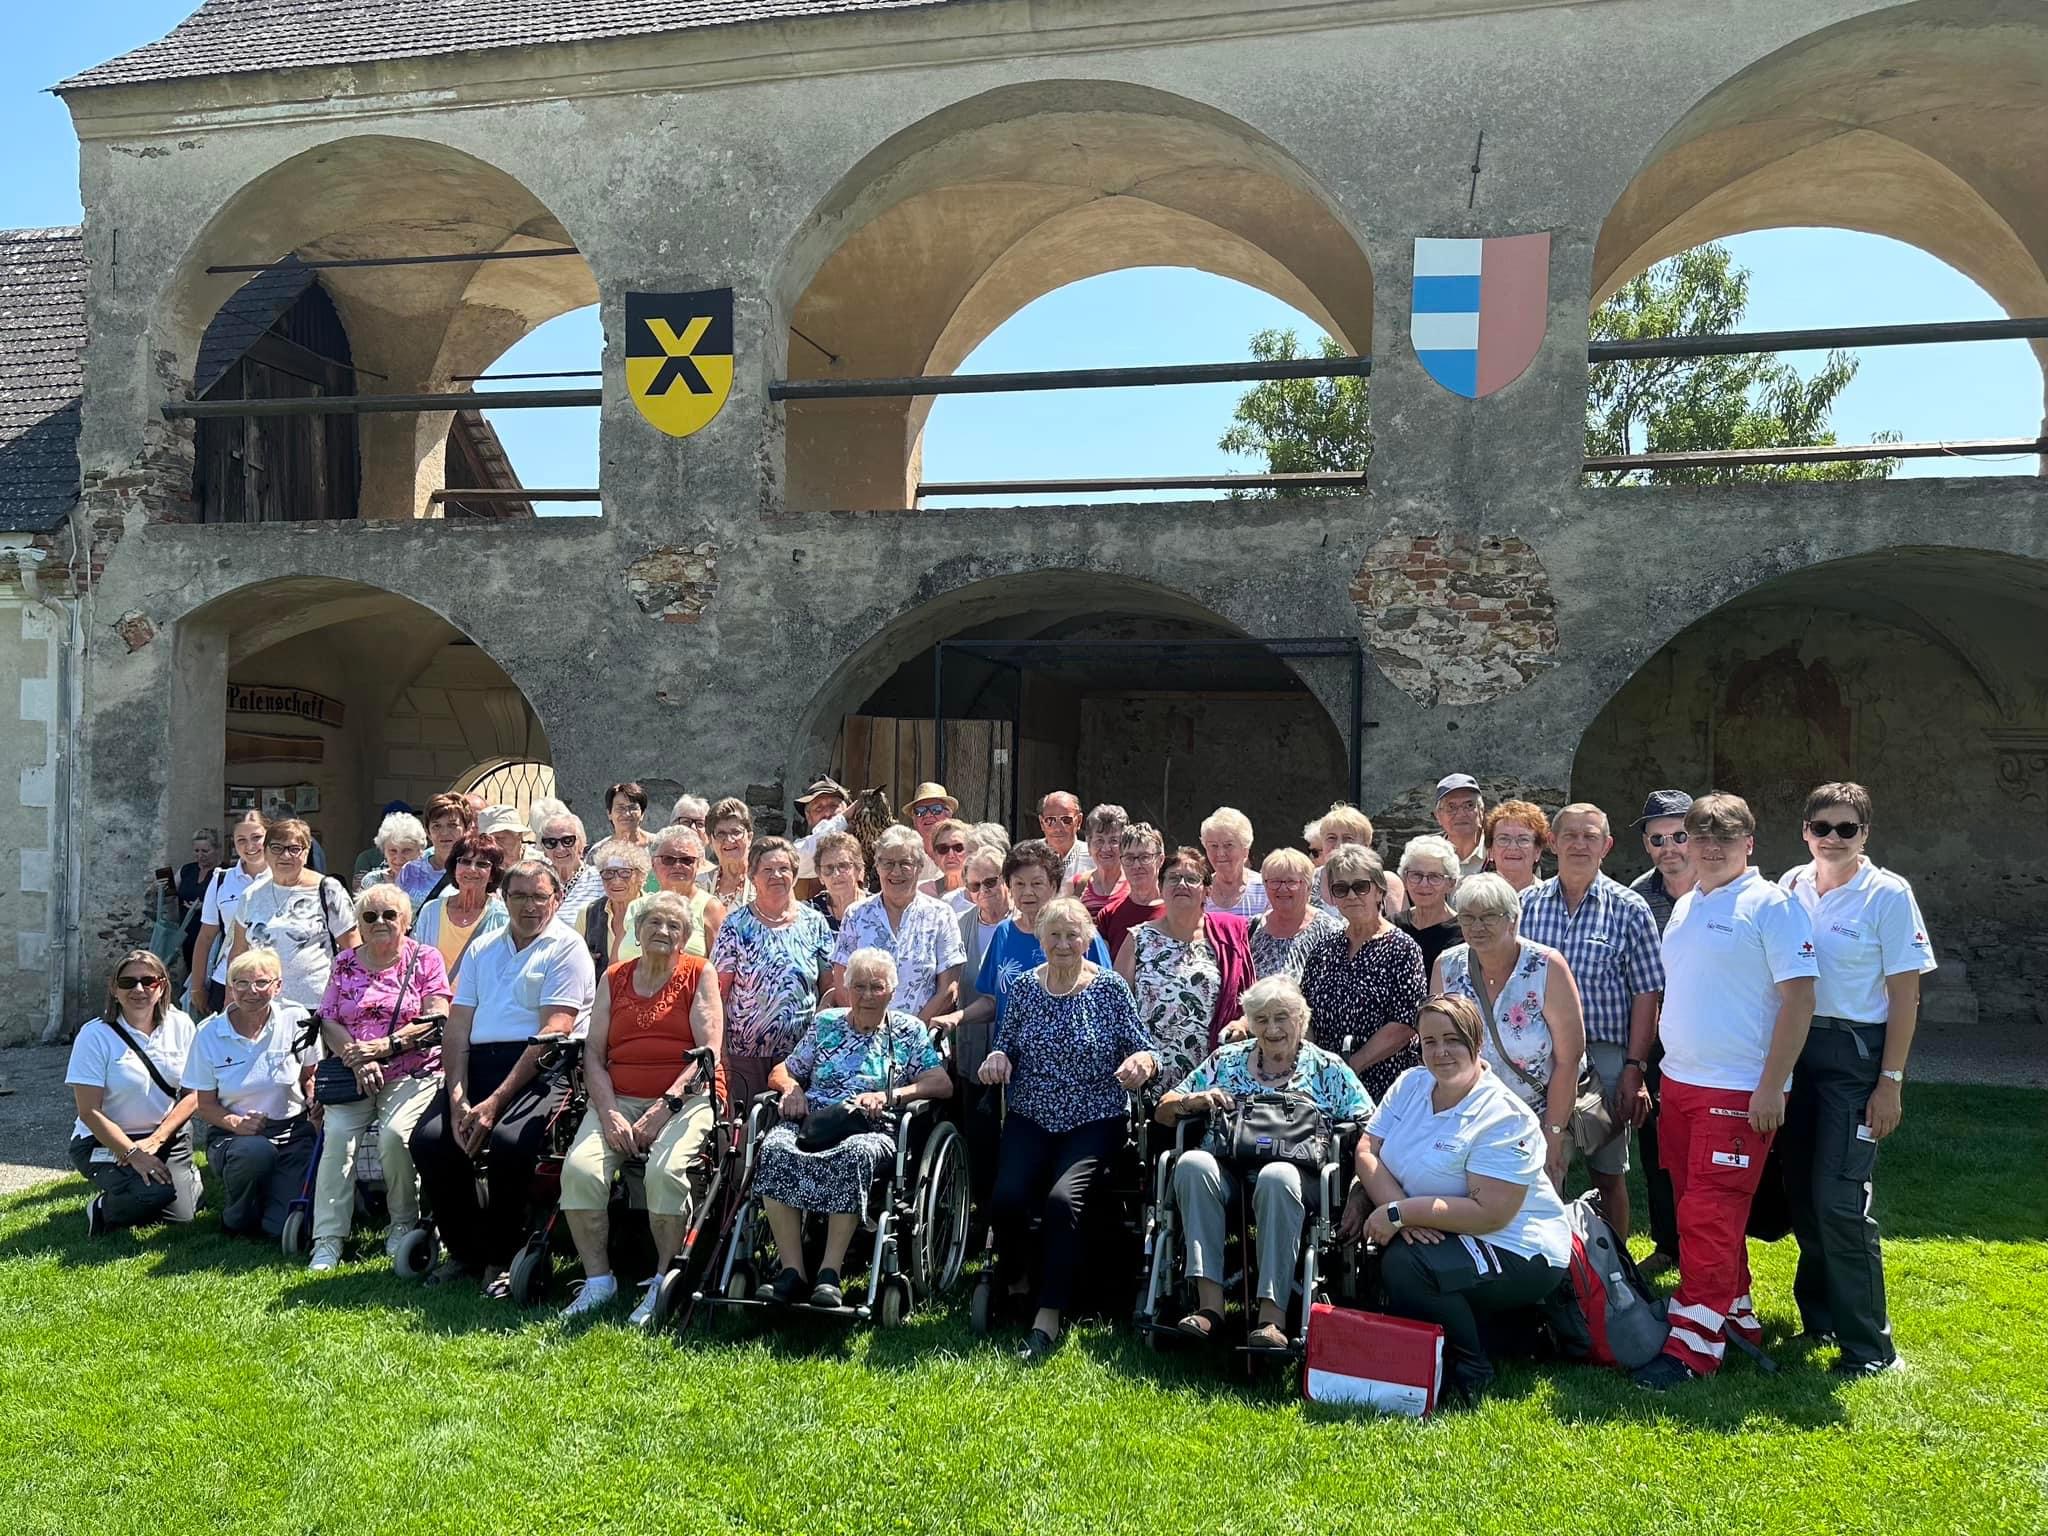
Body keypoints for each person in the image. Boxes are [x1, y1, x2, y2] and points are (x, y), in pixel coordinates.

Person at [1634, 794, 1817, 1391]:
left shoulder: (1773, 907)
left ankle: (1692, 1347)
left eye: (1726, 837)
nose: (1711, 846)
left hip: (1737, 1091)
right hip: (1681, 1084)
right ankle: (1733, 1314)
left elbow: (1800, 1000)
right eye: (1699, 836)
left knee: (1710, 1215)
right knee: (1697, 1210)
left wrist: (1772, 1086)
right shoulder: (1687, 906)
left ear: (1750, 843)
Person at [1340, 994, 1572, 1404]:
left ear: (1477, 1043)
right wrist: (1400, 1212)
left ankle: (1472, 1367)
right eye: (1429, 1041)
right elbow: (1366, 1150)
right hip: (1443, 1229)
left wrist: (1401, 1212)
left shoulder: (1504, 1116)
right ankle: (1503, 1333)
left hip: (1518, 1245)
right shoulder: (1411, 1084)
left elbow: (1491, 1214)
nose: (1440, 1051)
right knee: (1401, 1261)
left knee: (1408, 1266)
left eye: (1453, 1039)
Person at [1776, 782, 1932, 1377]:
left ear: (1865, 834)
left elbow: (1906, 992)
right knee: (1803, 1197)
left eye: (1847, 828)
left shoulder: (1888, 894)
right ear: (1806, 832)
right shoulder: (1791, 885)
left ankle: (1870, 1348)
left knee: (1840, 1201)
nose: (1833, 838)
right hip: (1797, 1048)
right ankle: (1820, 1316)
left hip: (1854, 1054)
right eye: (1823, 827)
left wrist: (1889, 1080)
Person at [979, 897, 1156, 1359]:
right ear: (1040, 941)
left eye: (1072, 934)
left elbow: (1143, 1048)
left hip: (1093, 1117)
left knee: (1061, 1202)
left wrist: (1140, 1062)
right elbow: (1006, 1046)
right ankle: (1017, 1278)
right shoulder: (1023, 988)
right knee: (1008, 1199)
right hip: (1031, 1114)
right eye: (1053, 935)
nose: (1062, 943)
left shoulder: (1110, 988)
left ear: (1088, 939)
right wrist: (998, 1058)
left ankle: (1048, 1316)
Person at [409, 861, 597, 1297]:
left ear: (556, 900)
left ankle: (502, 1256)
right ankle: (465, 1252)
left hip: (543, 1067)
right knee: (431, 1140)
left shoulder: (567, 948)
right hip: (477, 1063)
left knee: (512, 1144)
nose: (530, 906)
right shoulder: (483, 947)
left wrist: (493, 1104)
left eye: (539, 897)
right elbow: (457, 1028)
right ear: (504, 899)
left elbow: (555, 1028)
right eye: (519, 896)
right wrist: (457, 1096)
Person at [1156, 975, 1371, 1346]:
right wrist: (1196, 1100)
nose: (1272, 1028)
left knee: (1277, 1175)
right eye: (1262, 1019)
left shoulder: (1327, 1068)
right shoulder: (1226, 1060)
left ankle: (1272, 1320)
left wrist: (1359, 1192)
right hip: (1228, 1171)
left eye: (1282, 1017)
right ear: (1251, 1023)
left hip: (1298, 1180)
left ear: (1301, 1020)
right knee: (1191, 1164)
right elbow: (1164, 1109)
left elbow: (1372, 1129)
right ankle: (1210, 1308)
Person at [559, 891, 726, 1324]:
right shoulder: (614, 977)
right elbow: (594, 1055)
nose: (663, 931)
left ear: (686, 936)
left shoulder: (697, 973)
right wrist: (611, 1112)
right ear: (637, 930)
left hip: (686, 1098)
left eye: (674, 925)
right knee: (579, 1169)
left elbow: (708, 1053)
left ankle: (661, 1279)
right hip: (618, 1098)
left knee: (664, 1172)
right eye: (654, 923)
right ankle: (598, 1281)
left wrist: (662, 1109)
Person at [757, 948, 952, 1308]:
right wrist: (792, 1088)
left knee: (854, 1154)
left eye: (876, 987)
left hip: (871, 1129)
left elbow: (941, 1083)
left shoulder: (907, 1031)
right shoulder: (826, 1023)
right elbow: (783, 1069)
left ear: (891, 991)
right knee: (773, 1147)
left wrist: (891, 1095)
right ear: (845, 989)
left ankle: (830, 1273)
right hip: (813, 1123)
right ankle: (792, 1270)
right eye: (858, 986)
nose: (866, 995)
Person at [1517, 804, 1663, 1232]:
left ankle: (1615, 1276)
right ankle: (1544, 1264)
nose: (1580, 844)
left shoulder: (1629, 908)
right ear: (1553, 844)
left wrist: (1635, 1069)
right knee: (1537, 1164)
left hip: (1604, 1059)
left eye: (1591, 836)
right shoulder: (1525, 905)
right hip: (1535, 1056)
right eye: (1571, 835)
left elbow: (1646, 994)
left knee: (1608, 1172)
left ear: (1607, 845)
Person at [308, 883, 453, 1271]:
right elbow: (329, 1019)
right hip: (354, 1073)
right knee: (337, 1139)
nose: (381, 922)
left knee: (394, 1137)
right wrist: (358, 1059)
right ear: (359, 923)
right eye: (370, 917)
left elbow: (436, 1018)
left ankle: (403, 1223)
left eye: (390, 915)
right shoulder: (345, 963)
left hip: (412, 1071)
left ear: (406, 921)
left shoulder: (425, 959)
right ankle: (327, 1239)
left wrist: (382, 1049)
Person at [1431, 872, 1587, 1192]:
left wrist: (1553, 1134)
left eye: (1489, 916)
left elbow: (1569, 1059)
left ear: (1513, 919)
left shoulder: (1546, 966)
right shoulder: (1447, 966)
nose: (1477, 927)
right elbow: (1437, 1043)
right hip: (1470, 1117)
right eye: (1468, 917)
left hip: (1536, 1115)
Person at [184, 947, 320, 1239]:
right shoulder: (209, 1033)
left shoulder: (297, 1019)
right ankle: (236, 1217)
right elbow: (204, 1104)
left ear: (278, 986)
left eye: (261, 983)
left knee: (281, 1229)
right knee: (255, 1153)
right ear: (230, 988)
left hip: (292, 1133)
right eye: (241, 983)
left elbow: (309, 1076)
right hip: (235, 1137)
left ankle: (271, 1201)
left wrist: (314, 1099)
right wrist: (236, 1123)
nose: (251, 991)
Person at [67, 950, 201, 1236]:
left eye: (148, 981)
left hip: (163, 1135)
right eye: (127, 983)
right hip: (104, 1141)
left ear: (162, 985)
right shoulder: (94, 1036)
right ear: (114, 990)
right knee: (151, 1195)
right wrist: (132, 1153)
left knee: (182, 1217)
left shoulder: (181, 1025)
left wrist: (157, 1139)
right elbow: (89, 1112)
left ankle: (184, 1181)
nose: (138, 989)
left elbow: (193, 1095)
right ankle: (102, 1210)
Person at [939, 840, 1111, 1038]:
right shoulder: (1004, 932)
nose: (1027, 892)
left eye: (1037, 884)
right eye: (1019, 884)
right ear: (1010, 887)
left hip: (1070, 1059)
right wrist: (956, 1018)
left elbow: (1107, 997)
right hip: (1010, 1060)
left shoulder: (1079, 934)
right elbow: (993, 1000)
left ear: (1054, 885)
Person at [1628, 787, 1697, 1277]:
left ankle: (1714, 1245)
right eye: (1658, 839)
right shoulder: (1637, 897)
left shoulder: (1719, 889)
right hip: (1656, 1039)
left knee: (1709, 1148)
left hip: (1710, 1038)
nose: (1669, 847)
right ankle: (1669, 1244)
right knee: (1656, 1148)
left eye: (1679, 835)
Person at [712, 837, 837, 1110]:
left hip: (800, 1052)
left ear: (794, 874)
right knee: (745, 1130)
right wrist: (721, 1052)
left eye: (783, 869)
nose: (776, 876)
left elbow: (829, 987)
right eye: (767, 870)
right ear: (752, 876)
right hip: (745, 1053)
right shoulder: (735, 925)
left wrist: (820, 1030)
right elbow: (718, 993)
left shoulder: (814, 922)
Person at [1295, 845, 1426, 1101]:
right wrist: (1317, 1066)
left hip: (1386, 1087)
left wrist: (1351, 1066)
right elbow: (1304, 1012)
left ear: (1379, 890)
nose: (1352, 895)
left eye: (1361, 886)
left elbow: (1405, 1023)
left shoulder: (1403, 948)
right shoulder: (1324, 949)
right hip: (1325, 1085)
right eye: (1341, 889)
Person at [1113, 847, 1253, 1088]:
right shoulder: (1138, 939)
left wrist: (1241, 1025)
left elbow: (1252, 1001)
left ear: (1207, 890)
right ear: (1161, 887)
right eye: (1174, 878)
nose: (1182, 884)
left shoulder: (1228, 935)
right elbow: (1115, 1010)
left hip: (1213, 1076)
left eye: (1192, 879)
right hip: (1148, 1075)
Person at [830, 825, 964, 1022]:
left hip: (921, 1039)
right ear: (877, 866)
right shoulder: (856, 915)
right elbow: (842, 983)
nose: (896, 872)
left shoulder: (941, 915)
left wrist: (910, 1035)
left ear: (919, 867)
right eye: (888, 863)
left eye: (905, 863)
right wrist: (868, 1031)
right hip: (864, 1041)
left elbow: (949, 989)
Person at [229, 818, 359, 1010]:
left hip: (317, 1004)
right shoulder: (251, 895)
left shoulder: (328, 890)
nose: (285, 855)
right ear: (265, 851)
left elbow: (353, 949)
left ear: (306, 854)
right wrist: (231, 996)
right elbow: (238, 951)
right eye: (276, 848)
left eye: (294, 849)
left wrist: (351, 998)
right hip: (262, 1004)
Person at [187, 809, 268, 1018]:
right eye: (241, 839)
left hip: (271, 981)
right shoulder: (222, 880)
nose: (249, 846)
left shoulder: (283, 879)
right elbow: (205, 937)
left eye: (257, 837)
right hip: (226, 981)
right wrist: (197, 987)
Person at [952, 846, 1012, 1084]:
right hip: (972, 1046)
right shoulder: (958, 927)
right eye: (975, 886)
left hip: (1015, 1052)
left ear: (1006, 878)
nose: (983, 891)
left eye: (990, 882)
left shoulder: (1024, 924)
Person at [414, 837, 508, 983]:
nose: (471, 869)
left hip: (480, 1004)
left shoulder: (503, 917)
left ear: (493, 874)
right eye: (465, 861)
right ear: (454, 867)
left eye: (482, 864)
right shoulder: (430, 911)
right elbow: (417, 964)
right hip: (435, 1003)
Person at [625, 824, 726, 962]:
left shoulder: (710, 908)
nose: (677, 865)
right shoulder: (637, 907)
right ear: (653, 864)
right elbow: (614, 965)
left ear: (698, 864)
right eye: (668, 859)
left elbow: (721, 966)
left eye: (686, 860)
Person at [1248, 847, 1341, 979]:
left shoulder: (1330, 931)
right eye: (1275, 882)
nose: (1283, 888)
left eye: (1291, 882)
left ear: (1309, 885)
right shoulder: (1251, 929)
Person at [1316, 804, 1406, 916]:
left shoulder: (1387, 882)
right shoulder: (1307, 881)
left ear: (1365, 844)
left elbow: (1398, 929)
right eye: (1331, 838)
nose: (1339, 845)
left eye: (1348, 838)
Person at [1095, 822, 1165, 963]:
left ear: (1160, 860)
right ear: (1121, 861)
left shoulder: (1176, 910)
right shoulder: (1108, 915)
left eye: (1145, 857)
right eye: (1129, 858)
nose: (1136, 865)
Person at [1395, 835, 1463, 977]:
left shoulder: (1463, 932)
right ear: (1405, 879)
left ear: (1451, 884)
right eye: (1416, 875)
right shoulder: (1393, 927)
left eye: (1434, 877)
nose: (1424, 884)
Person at [584, 843, 652, 972]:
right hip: (601, 990)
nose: (616, 881)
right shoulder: (589, 912)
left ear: (641, 876)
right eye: (608, 873)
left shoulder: (653, 909)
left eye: (625, 873)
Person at [404, 793, 474, 905]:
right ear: (427, 831)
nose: (444, 833)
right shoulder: (410, 871)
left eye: (452, 825)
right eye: (437, 826)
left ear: (467, 828)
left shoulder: (475, 872)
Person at [173, 827, 222, 981]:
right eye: (196, 851)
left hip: (211, 935)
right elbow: (171, 894)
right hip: (186, 933)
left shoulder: (225, 872)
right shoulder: (187, 870)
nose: (200, 856)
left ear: (216, 850)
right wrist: (159, 889)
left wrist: (205, 907)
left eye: (205, 851)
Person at [536, 811, 604, 920]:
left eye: (567, 841)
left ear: (581, 843)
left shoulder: (599, 879)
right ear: (543, 848)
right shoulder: (536, 880)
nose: (560, 849)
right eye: (551, 842)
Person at [1201, 807, 1266, 919]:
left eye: (1228, 845)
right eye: (1213, 846)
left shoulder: (1265, 889)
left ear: (1245, 849)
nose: (1220, 853)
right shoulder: (1199, 892)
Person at [1069, 804, 1129, 917]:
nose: (1106, 848)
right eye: (1099, 840)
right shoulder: (1076, 886)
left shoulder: (1135, 884)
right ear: (1088, 844)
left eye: (1114, 840)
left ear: (1125, 844)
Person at [360, 811, 431, 903]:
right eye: (393, 851)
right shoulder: (371, 881)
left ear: (420, 851)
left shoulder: (432, 883)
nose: (399, 858)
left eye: (406, 850)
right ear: (384, 851)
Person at [701, 797, 757, 908]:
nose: (729, 840)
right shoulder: (700, 885)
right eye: (721, 834)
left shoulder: (764, 881)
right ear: (711, 841)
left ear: (750, 837)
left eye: (736, 832)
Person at [1483, 800, 1550, 893]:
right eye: (1504, 839)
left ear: (1537, 851)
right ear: (1490, 851)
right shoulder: (1472, 897)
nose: (1513, 847)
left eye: (1523, 839)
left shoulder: (1550, 898)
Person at [791, 776, 850, 881]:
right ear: (809, 818)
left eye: (833, 805)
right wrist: (841, 820)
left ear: (845, 809)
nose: (827, 813)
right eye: (819, 808)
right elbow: (799, 857)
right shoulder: (804, 849)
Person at [807, 831, 866, 933]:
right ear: (820, 875)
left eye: (843, 866)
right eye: (828, 868)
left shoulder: (879, 908)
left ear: (859, 870)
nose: (836, 874)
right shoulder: (810, 912)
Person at [588, 782, 654, 869]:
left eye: (633, 808)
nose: (627, 813)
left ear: (642, 814)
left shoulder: (658, 846)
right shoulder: (598, 852)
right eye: (620, 808)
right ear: (609, 813)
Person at [1433, 774, 1488, 879]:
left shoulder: (1498, 850)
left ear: (1481, 811)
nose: (1460, 814)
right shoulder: (1427, 853)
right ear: (1438, 816)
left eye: (1469, 806)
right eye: (1451, 807)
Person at [905, 782, 961, 881]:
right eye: (920, 811)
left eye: (936, 809)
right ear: (914, 819)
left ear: (948, 814)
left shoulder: (962, 852)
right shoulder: (904, 855)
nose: (928, 815)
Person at [919, 817, 975, 912]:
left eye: (958, 847)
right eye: (943, 848)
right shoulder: (921, 892)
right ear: (935, 855)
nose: (951, 855)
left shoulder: (980, 893)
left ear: (971, 852)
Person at [1037, 790, 1092, 886]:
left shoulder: (1094, 857)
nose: (1058, 828)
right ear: (1042, 823)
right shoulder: (1028, 855)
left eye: (1066, 820)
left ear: (1078, 821)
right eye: (1050, 820)